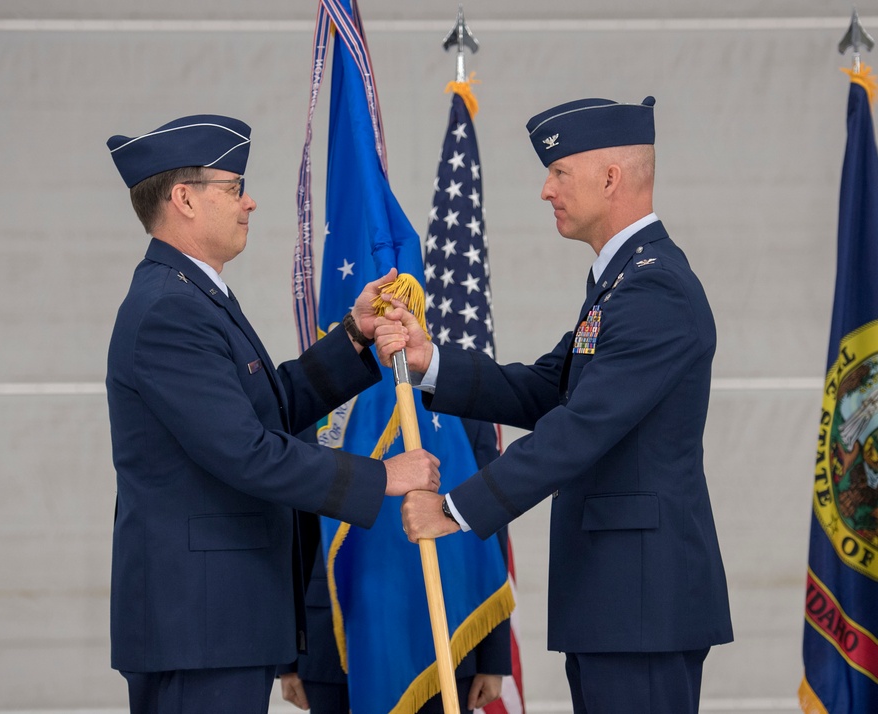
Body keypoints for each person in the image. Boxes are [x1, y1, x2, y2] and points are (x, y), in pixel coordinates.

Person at [375, 96, 733, 714]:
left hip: (639, 601)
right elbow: (547, 389)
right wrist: (427, 361)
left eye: (559, 172)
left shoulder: (653, 288)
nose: (546, 190)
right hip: (615, 598)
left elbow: (580, 428)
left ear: (610, 177)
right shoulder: (622, 280)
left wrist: (456, 509)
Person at [104, 114, 441, 714]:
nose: (250, 202)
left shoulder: (192, 294)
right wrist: (382, 477)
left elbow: (270, 409)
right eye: (233, 188)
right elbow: (245, 451)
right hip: (199, 627)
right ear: (183, 198)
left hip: (217, 620)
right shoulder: (169, 310)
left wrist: (354, 339)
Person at [278, 420, 511, 714]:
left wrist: (492, 659)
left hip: (447, 633)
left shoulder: (461, 401)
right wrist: (289, 658)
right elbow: (297, 530)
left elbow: (489, 526)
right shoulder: (327, 390)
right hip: (334, 638)